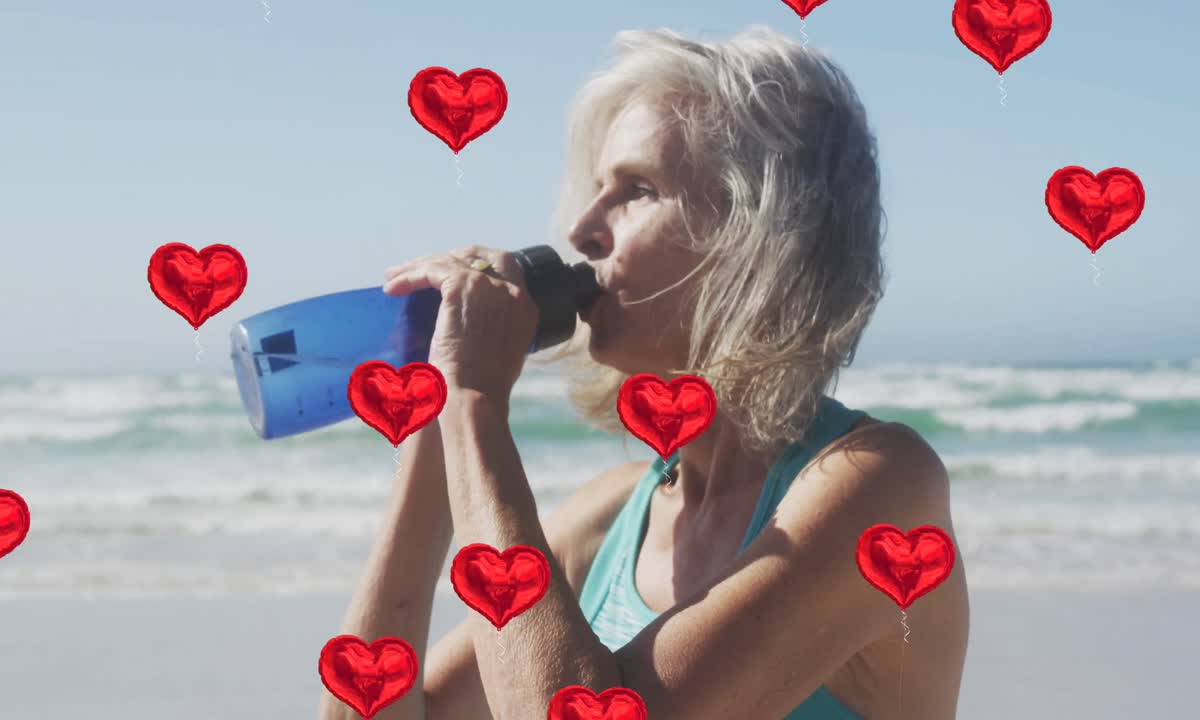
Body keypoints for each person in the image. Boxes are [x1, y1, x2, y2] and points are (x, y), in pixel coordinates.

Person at [319, 24, 969, 720]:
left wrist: (476, 405)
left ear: (756, 236)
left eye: (636, 189)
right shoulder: (604, 525)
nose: (583, 230)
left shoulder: (879, 488)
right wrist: (434, 421)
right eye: (598, 188)